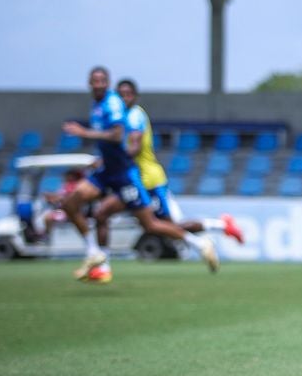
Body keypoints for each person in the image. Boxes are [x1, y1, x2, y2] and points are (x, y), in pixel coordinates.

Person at [60, 66, 220, 281]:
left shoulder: (117, 106)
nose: (98, 84)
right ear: (89, 83)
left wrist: (84, 132)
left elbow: (118, 137)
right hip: (109, 171)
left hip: (128, 175)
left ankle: (201, 242)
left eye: (101, 80)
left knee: (151, 224)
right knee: (73, 204)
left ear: (108, 83)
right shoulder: (98, 105)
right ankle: (96, 257)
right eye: (94, 80)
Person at [86, 78, 245, 282]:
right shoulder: (119, 118)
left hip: (148, 181)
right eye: (120, 95)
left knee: (171, 227)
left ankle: (220, 226)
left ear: (135, 97)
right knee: (103, 213)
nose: (124, 98)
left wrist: (105, 162)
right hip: (131, 180)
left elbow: (133, 149)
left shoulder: (134, 116)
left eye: (128, 94)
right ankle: (103, 266)